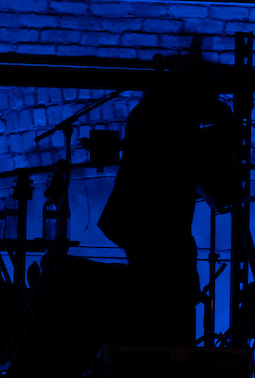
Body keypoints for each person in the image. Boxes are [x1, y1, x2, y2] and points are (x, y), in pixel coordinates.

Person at [97, 46, 238, 345]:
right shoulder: (173, 121)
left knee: (156, 295)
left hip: (140, 223)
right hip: (153, 226)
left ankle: (159, 355)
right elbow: (191, 167)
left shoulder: (154, 111)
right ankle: (172, 358)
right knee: (172, 295)